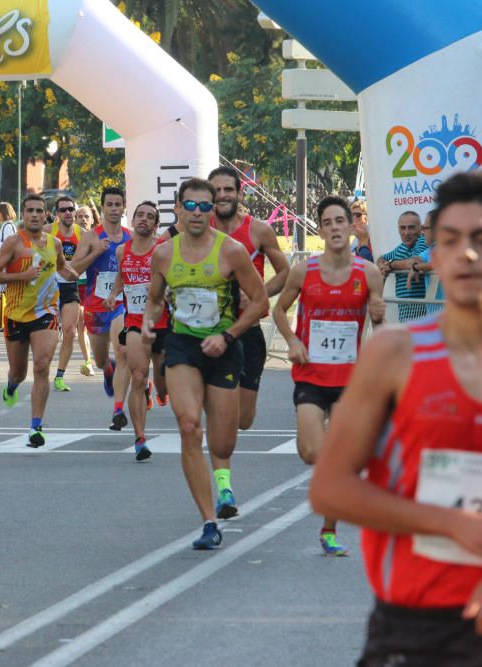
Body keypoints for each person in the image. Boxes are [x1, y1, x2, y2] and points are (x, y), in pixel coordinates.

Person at [310, 169, 482, 666]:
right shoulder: (393, 356)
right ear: (435, 255)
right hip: (413, 623)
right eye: (451, 240)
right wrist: (450, 524)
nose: (467, 254)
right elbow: (330, 488)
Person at [143, 178, 268, 550]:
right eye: (190, 206)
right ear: (177, 209)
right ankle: (209, 521)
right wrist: (150, 324)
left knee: (223, 439)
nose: (197, 213)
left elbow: (260, 301)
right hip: (183, 346)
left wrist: (229, 336)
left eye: (204, 206)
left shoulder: (231, 252)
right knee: (188, 425)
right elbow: (153, 298)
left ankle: (224, 482)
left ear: (212, 210)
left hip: (224, 348)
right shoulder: (164, 254)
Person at [272, 195, 385, 556]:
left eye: (341, 221)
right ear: (320, 229)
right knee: (311, 453)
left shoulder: (368, 274)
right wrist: (291, 340)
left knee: (335, 458)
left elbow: (377, 321)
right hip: (311, 375)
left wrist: (379, 315)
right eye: (329, 222)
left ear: (351, 226)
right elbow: (279, 310)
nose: (336, 228)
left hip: (350, 380)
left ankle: (329, 529)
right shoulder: (305, 271)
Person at [206, 165, 289, 518]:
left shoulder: (258, 231)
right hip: (209, 331)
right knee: (219, 413)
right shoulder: (200, 229)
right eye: (217, 191)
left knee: (243, 420)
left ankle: (224, 430)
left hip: (248, 330)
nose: (223, 196)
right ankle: (223, 485)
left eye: (228, 190)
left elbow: (285, 272)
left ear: (240, 193)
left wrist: (257, 296)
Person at [0, 194, 70, 447]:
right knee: (19, 372)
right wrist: (23, 275)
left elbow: (62, 267)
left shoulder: (54, 243)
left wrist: (82, 272)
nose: (35, 215)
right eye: (30, 210)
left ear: (46, 215)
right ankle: (11, 386)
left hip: (45, 312)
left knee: (42, 365)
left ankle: (36, 426)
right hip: (15, 315)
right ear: (23, 214)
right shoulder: (13, 243)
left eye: (39, 211)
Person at [104, 201, 170, 461]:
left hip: (163, 323)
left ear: (156, 225)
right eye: (139, 215)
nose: (143, 219)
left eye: (149, 216)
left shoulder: (163, 251)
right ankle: (140, 438)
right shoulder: (122, 251)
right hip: (134, 322)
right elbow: (122, 275)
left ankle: (160, 390)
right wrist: (113, 293)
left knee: (164, 389)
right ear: (132, 220)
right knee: (138, 376)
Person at [70, 187, 132, 428]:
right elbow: (74, 268)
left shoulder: (131, 237)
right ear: (103, 207)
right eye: (110, 204)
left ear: (124, 207)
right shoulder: (91, 237)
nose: (114, 208)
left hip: (120, 305)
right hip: (95, 307)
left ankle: (118, 409)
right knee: (100, 360)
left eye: (119, 204)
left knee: (123, 352)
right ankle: (108, 370)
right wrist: (96, 251)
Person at [45, 196, 84, 392]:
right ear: (57, 214)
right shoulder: (48, 231)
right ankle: (39, 370)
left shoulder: (82, 234)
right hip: (48, 287)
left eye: (71, 209)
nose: (68, 212)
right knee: (48, 336)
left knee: (70, 331)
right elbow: (23, 236)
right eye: (63, 210)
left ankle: (59, 376)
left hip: (70, 286)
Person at [377, 211, 429, 321]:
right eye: (402, 228)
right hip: (404, 315)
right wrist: (382, 265)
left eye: (411, 228)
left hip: (422, 314)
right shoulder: (401, 247)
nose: (406, 233)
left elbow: (412, 263)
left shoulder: (422, 241)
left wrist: (392, 265)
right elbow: (381, 258)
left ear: (421, 229)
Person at [73, 206, 97, 376]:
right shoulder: (71, 238)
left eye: (86, 216)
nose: (83, 219)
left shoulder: (99, 238)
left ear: (92, 220)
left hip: (96, 287)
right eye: (79, 216)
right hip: (77, 286)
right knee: (81, 324)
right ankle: (88, 361)